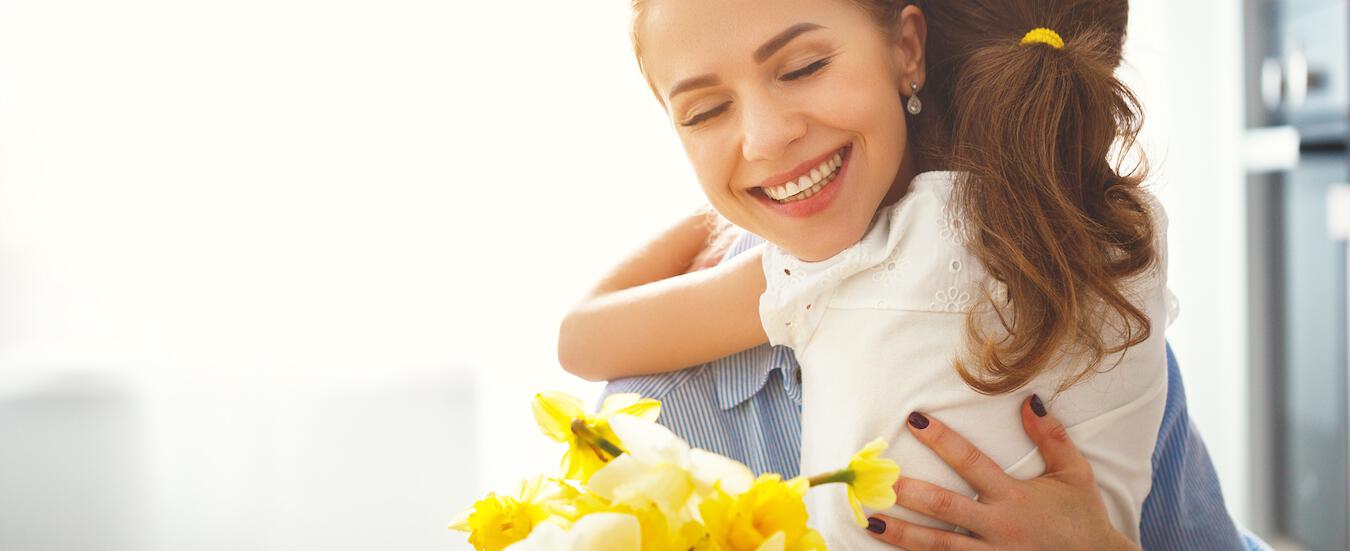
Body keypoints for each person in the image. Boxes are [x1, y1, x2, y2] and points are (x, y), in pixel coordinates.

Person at [557, 0, 1266, 547]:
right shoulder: (653, 426)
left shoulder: (1080, 313)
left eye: (804, 67)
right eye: (705, 111)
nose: (766, 138)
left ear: (907, 48)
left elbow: (580, 336)